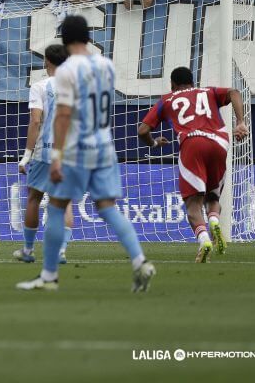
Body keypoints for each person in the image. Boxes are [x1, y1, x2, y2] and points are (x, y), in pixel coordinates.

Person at [17, 15, 156, 292]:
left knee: (56, 206)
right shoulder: (105, 65)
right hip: (104, 146)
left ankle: (48, 277)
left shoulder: (67, 71)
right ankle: (140, 262)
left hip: (75, 149)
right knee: (107, 207)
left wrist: (56, 156)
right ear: (88, 37)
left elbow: (64, 115)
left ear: (66, 41)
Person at [138, 67, 248, 262]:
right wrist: (240, 121)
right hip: (219, 143)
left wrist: (154, 143)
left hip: (192, 144)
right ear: (193, 82)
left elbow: (142, 130)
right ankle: (214, 220)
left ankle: (204, 239)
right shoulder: (209, 92)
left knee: (193, 204)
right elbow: (234, 92)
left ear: (172, 85)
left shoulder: (167, 100)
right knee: (212, 195)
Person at [14, 44, 72, 264]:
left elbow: (36, 120)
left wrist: (27, 155)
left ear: (47, 61)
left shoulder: (40, 86)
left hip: (44, 151)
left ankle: (28, 250)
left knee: (34, 199)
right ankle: (61, 251)